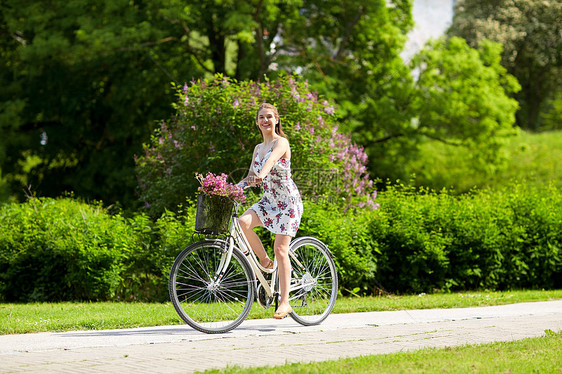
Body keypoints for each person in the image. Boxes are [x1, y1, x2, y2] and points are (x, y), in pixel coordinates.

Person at [237, 103, 304, 320]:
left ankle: (285, 302)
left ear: (276, 120)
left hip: (288, 203)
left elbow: (272, 161)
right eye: (261, 118)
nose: (265, 121)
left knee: (281, 249)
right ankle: (265, 262)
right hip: (269, 201)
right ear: (257, 122)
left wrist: (262, 174)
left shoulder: (281, 142)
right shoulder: (258, 148)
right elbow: (250, 176)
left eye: (269, 117)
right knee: (242, 223)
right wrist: (230, 189)